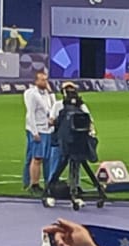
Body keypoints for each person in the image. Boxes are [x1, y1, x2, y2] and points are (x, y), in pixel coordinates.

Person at [43, 82, 106, 210]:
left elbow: (88, 120)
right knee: (56, 166)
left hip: (77, 142)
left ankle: (75, 190)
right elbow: (52, 121)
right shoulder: (58, 105)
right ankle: (51, 191)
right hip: (61, 142)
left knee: (75, 167)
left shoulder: (81, 106)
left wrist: (91, 132)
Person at [24, 68, 55, 193]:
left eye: (46, 80)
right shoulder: (33, 94)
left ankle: (48, 183)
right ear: (36, 81)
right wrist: (34, 132)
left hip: (47, 129)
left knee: (47, 158)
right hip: (38, 130)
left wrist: (50, 91)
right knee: (36, 158)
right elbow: (30, 114)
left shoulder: (46, 94)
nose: (45, 82)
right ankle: (33, 184)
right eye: (42, 80)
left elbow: (53, 107)